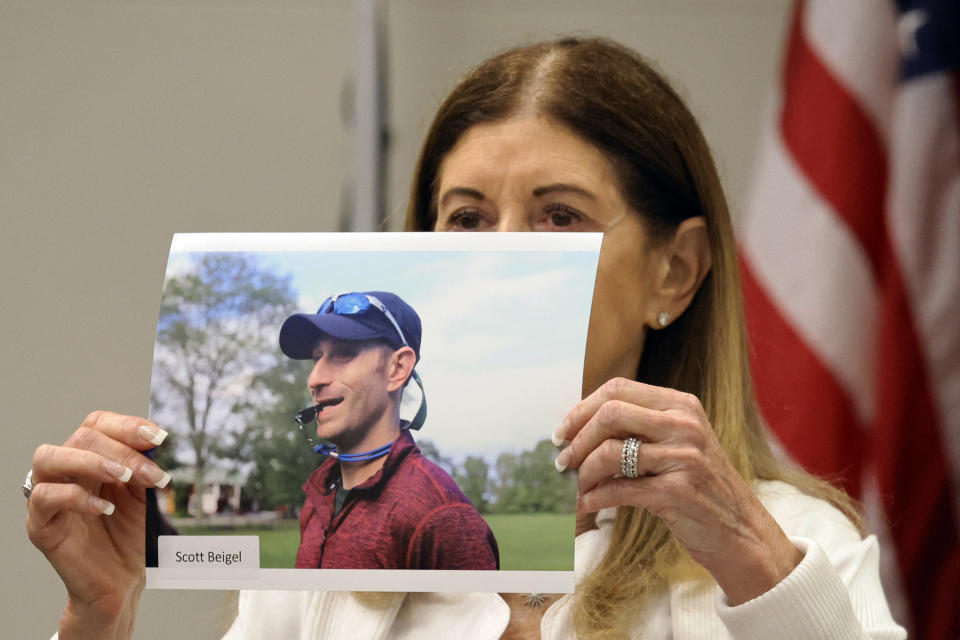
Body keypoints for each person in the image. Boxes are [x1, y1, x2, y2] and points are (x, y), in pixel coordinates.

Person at [24, 36, 906, 639]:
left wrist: (750, 558)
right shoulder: (320, 548)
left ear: (674, 271)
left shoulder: (792, 546)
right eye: (467, 220)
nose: (508, 257)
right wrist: (96, 620)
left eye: (560, 216)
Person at [278, 290, 499, 570]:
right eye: (316, 358)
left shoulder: (442, 518)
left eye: (344, 354)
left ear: (398, 368)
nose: (315, 378)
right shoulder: (319, 495)